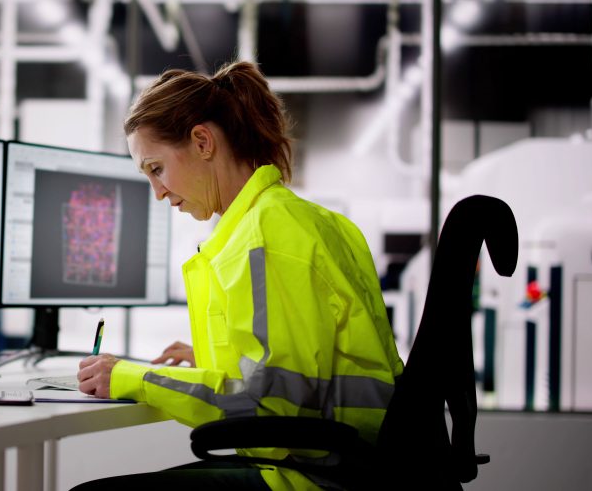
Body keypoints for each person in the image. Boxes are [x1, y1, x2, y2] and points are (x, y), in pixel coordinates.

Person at [73, 61, 404, 491]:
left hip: (311, 479)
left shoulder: (266, 235)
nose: (157, 192)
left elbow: (266, 407)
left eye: (156, 168)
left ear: (202, 141)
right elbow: (307, 364)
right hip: (351, 467)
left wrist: (130, 377)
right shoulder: (306, 219)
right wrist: (212, 360)